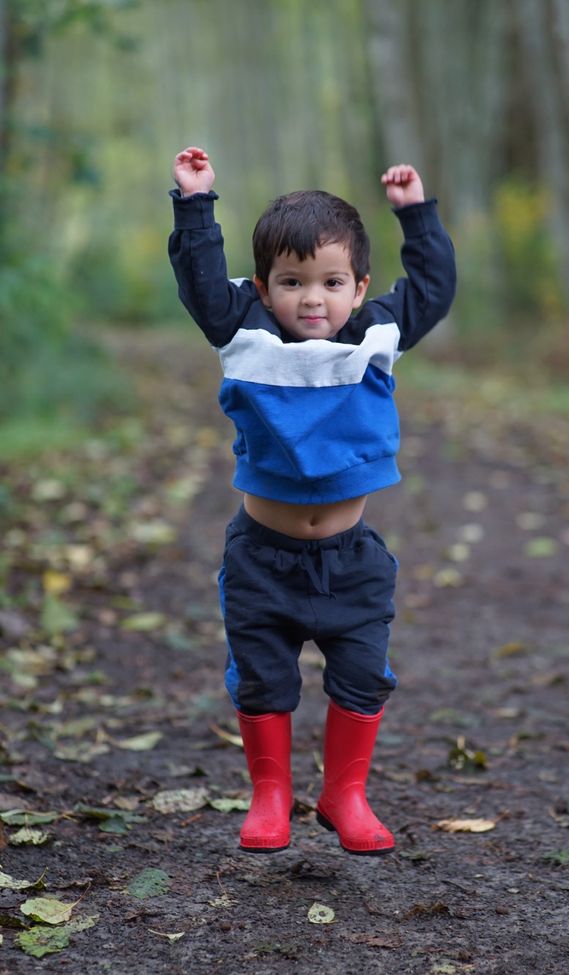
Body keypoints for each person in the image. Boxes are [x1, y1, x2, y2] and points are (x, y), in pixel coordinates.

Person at [169, 146, 456, 855]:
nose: (312, 299)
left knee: (362, 676)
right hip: (261, 559)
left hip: (350, 561)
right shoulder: (244, 333)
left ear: (359, 289)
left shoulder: (374, 336)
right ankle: (270, 795)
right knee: (262, 678)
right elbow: (201, 283)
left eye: (331, 282)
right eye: (292, 282)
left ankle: (344, 794)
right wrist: (196, 204)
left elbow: (432, 289)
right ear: (263, 289)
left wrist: (416, 216)